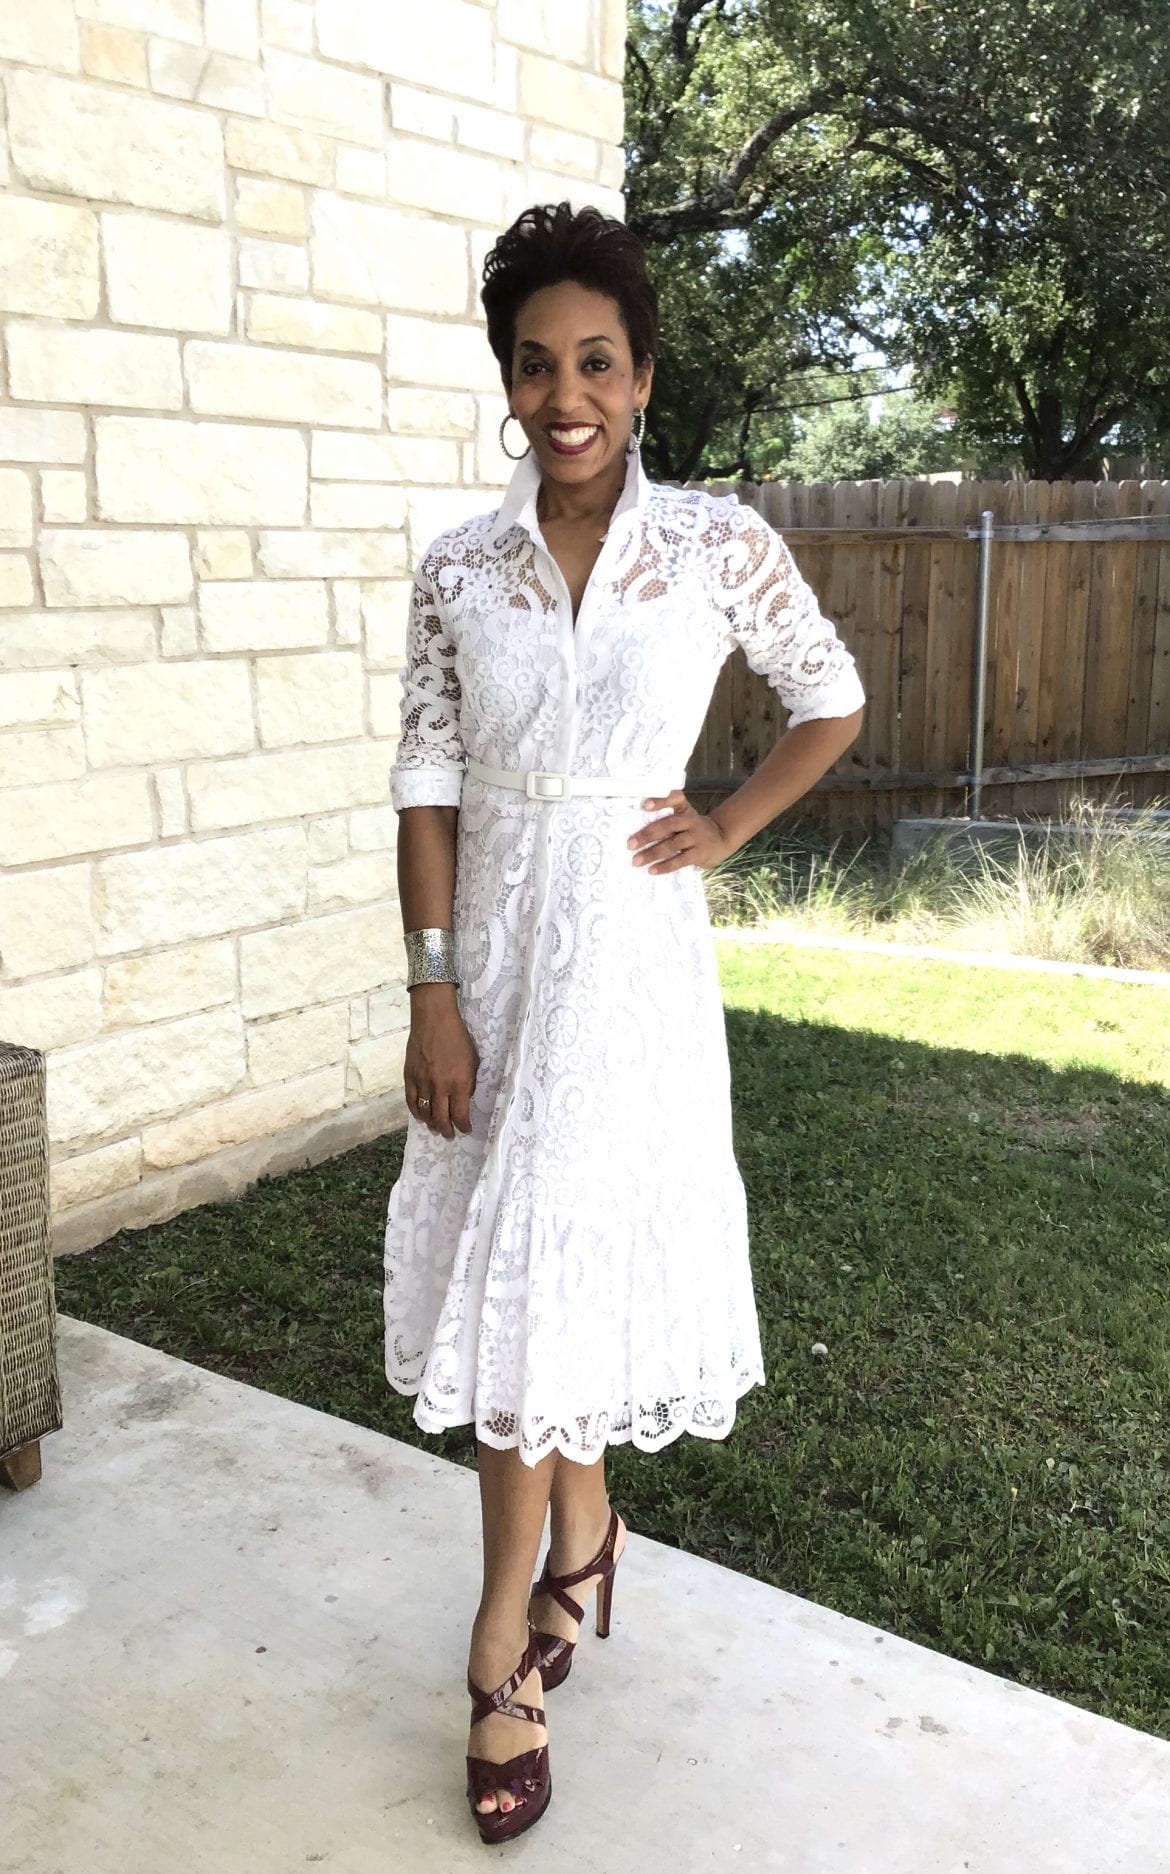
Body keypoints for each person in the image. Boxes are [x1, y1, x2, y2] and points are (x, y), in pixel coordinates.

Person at [385, 201, 866, 1844]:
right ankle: (582, 1525)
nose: (563, 392)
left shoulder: (720, 543)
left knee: (552, 1264)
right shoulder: (455, 565)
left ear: (643, 375)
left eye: (595, 359)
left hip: (636, 972)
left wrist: (725, 827)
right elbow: (426, 784)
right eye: (534, 364)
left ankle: (501, 1644)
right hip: (499, 970)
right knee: (520, 1264)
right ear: (507, 383)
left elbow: (831, 696)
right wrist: (430, 988)